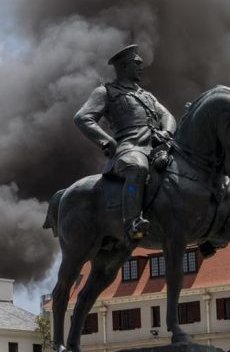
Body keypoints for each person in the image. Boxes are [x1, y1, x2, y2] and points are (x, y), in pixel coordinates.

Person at [73, 44, 176, 239]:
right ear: (123, 67)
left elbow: (167, 116)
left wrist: (167, 133)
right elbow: (82, 118)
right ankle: (132, 222)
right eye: (136, 63)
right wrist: (106, 141)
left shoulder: (146, 95)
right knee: (138, 169)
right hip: (129, 148)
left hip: (156, 146)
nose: (141, 67)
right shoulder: (106, 92)